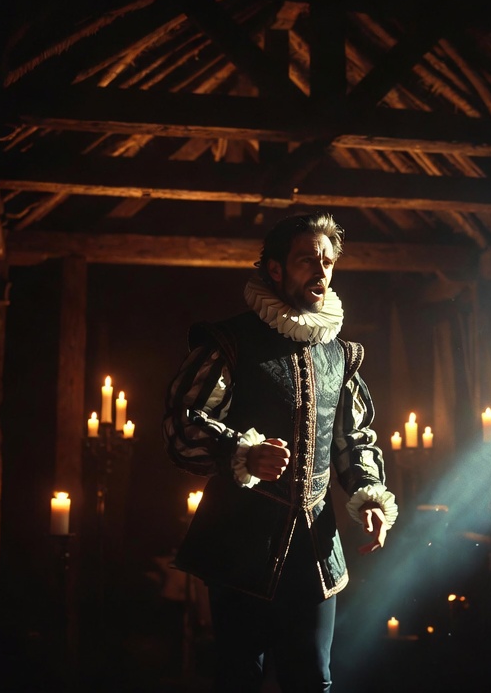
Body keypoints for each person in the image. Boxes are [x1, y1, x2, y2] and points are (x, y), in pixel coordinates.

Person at [164, 212, 399, 692]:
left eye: (327, 261)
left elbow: (353, 438)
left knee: (313, 678)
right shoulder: (230, 342)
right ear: (275, 269)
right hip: (237, 541)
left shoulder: (340, 355)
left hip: (315, 547)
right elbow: (183, 423)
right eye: (306, 259)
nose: (320, 270)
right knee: (238, 678)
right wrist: (242, 453)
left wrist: (370, 496)